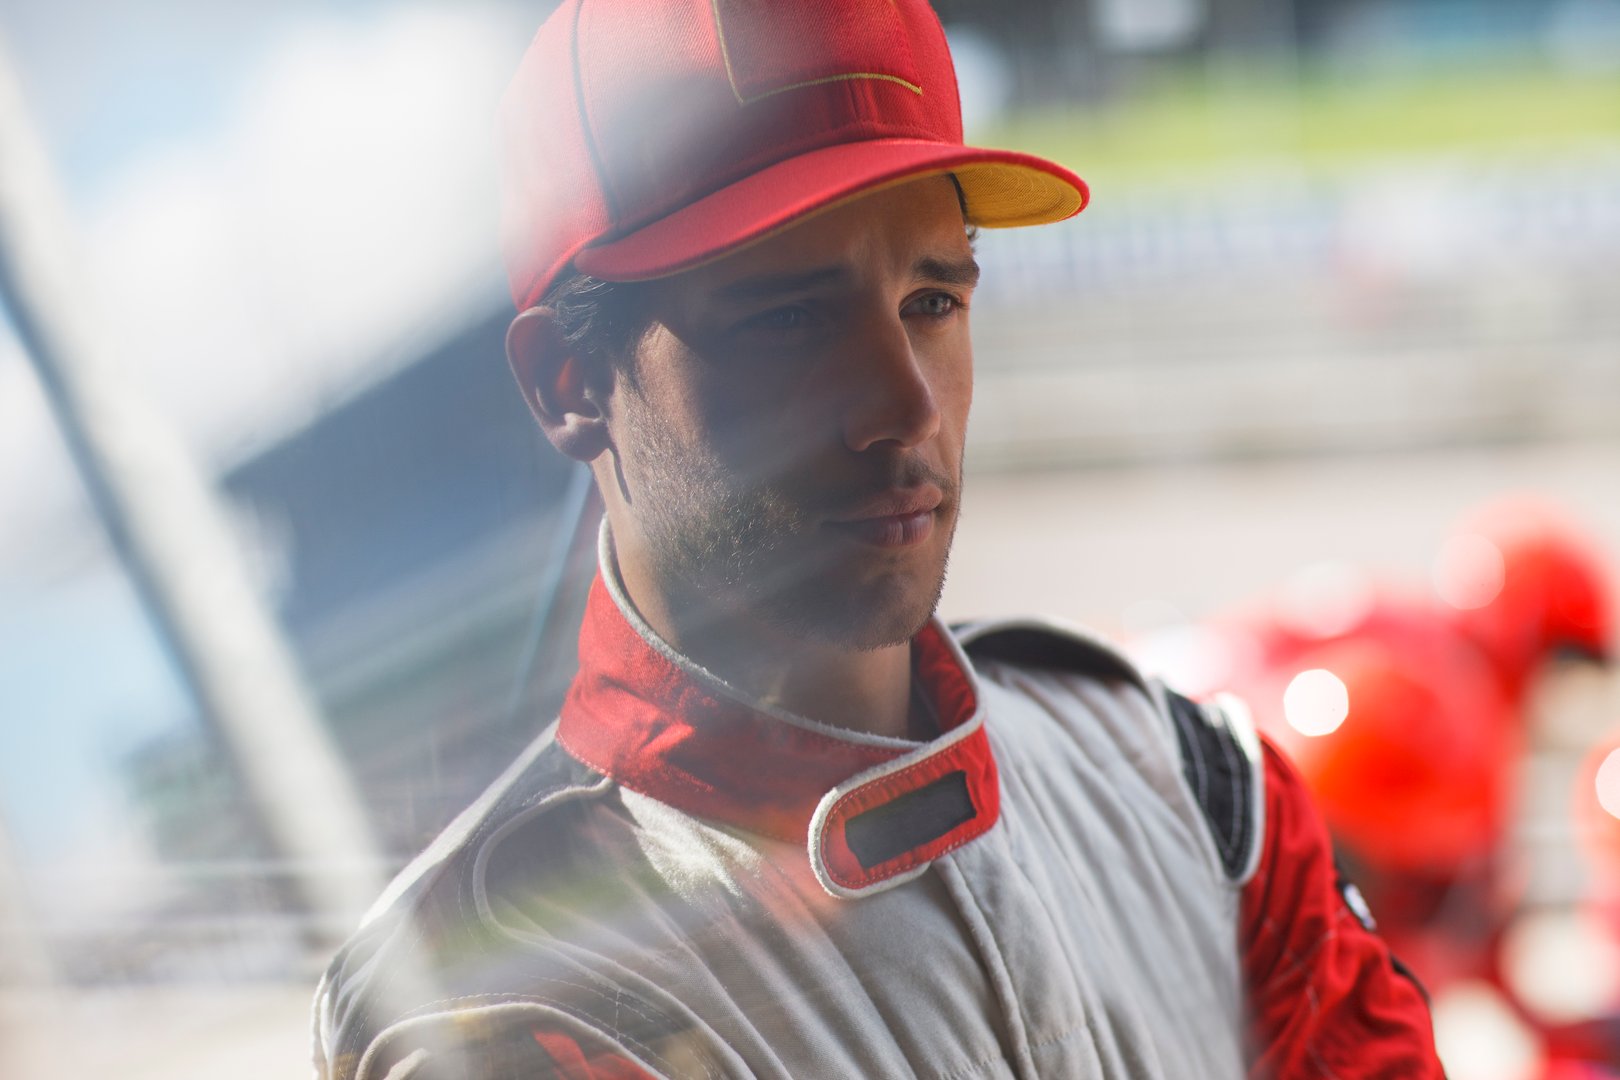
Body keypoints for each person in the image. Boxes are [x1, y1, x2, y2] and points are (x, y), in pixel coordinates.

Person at [313, 1, 1446, 1076]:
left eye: (934, 301)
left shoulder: (1193, 781)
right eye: (790, 318)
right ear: (569, 385)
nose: (904, 407)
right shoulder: (492, 993)